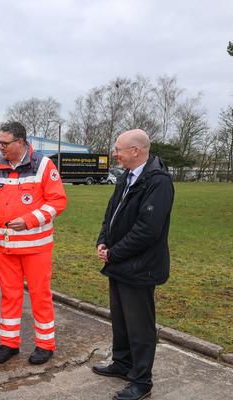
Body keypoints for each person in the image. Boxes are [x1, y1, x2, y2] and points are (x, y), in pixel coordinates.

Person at [0, 121, 67, 365]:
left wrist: (30, 220)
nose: (0, 147)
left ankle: (45, 344)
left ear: (20, 142)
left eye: (4, 143)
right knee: (9, 296)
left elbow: (57, 202)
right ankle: (9, 343)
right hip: (6, 247)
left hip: (36, 248)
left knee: (40, 296)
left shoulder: (43, 165)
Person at [93, 129, 174, 400]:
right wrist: (104, 241)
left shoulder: (158, 182)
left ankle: (142, 382)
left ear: (136, 151)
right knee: (121, 320)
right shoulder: (126, 177)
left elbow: (147, 230)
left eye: (119, 149)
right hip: (119, 263)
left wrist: (114, 253)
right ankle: (123, 364)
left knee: (140, 326)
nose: (115, 153)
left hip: (141, 267)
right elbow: (111, 213)